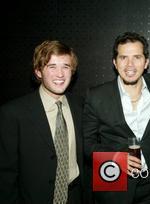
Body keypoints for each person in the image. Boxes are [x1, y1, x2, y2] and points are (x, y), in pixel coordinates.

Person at [83, 32, 150, 204]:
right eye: (123, 58)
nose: (130, 64)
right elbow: (86, 143)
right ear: (115, 63)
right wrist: (115, 158)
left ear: (146, 62)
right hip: (112, 183)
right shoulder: (97, 95)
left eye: (137, 57)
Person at [0, 40, 86, 203]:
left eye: (66, 67)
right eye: (52, 67)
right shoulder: (13, 113)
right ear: (38, 71)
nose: (60, 74)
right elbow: (5, 173)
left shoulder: (81, 106)